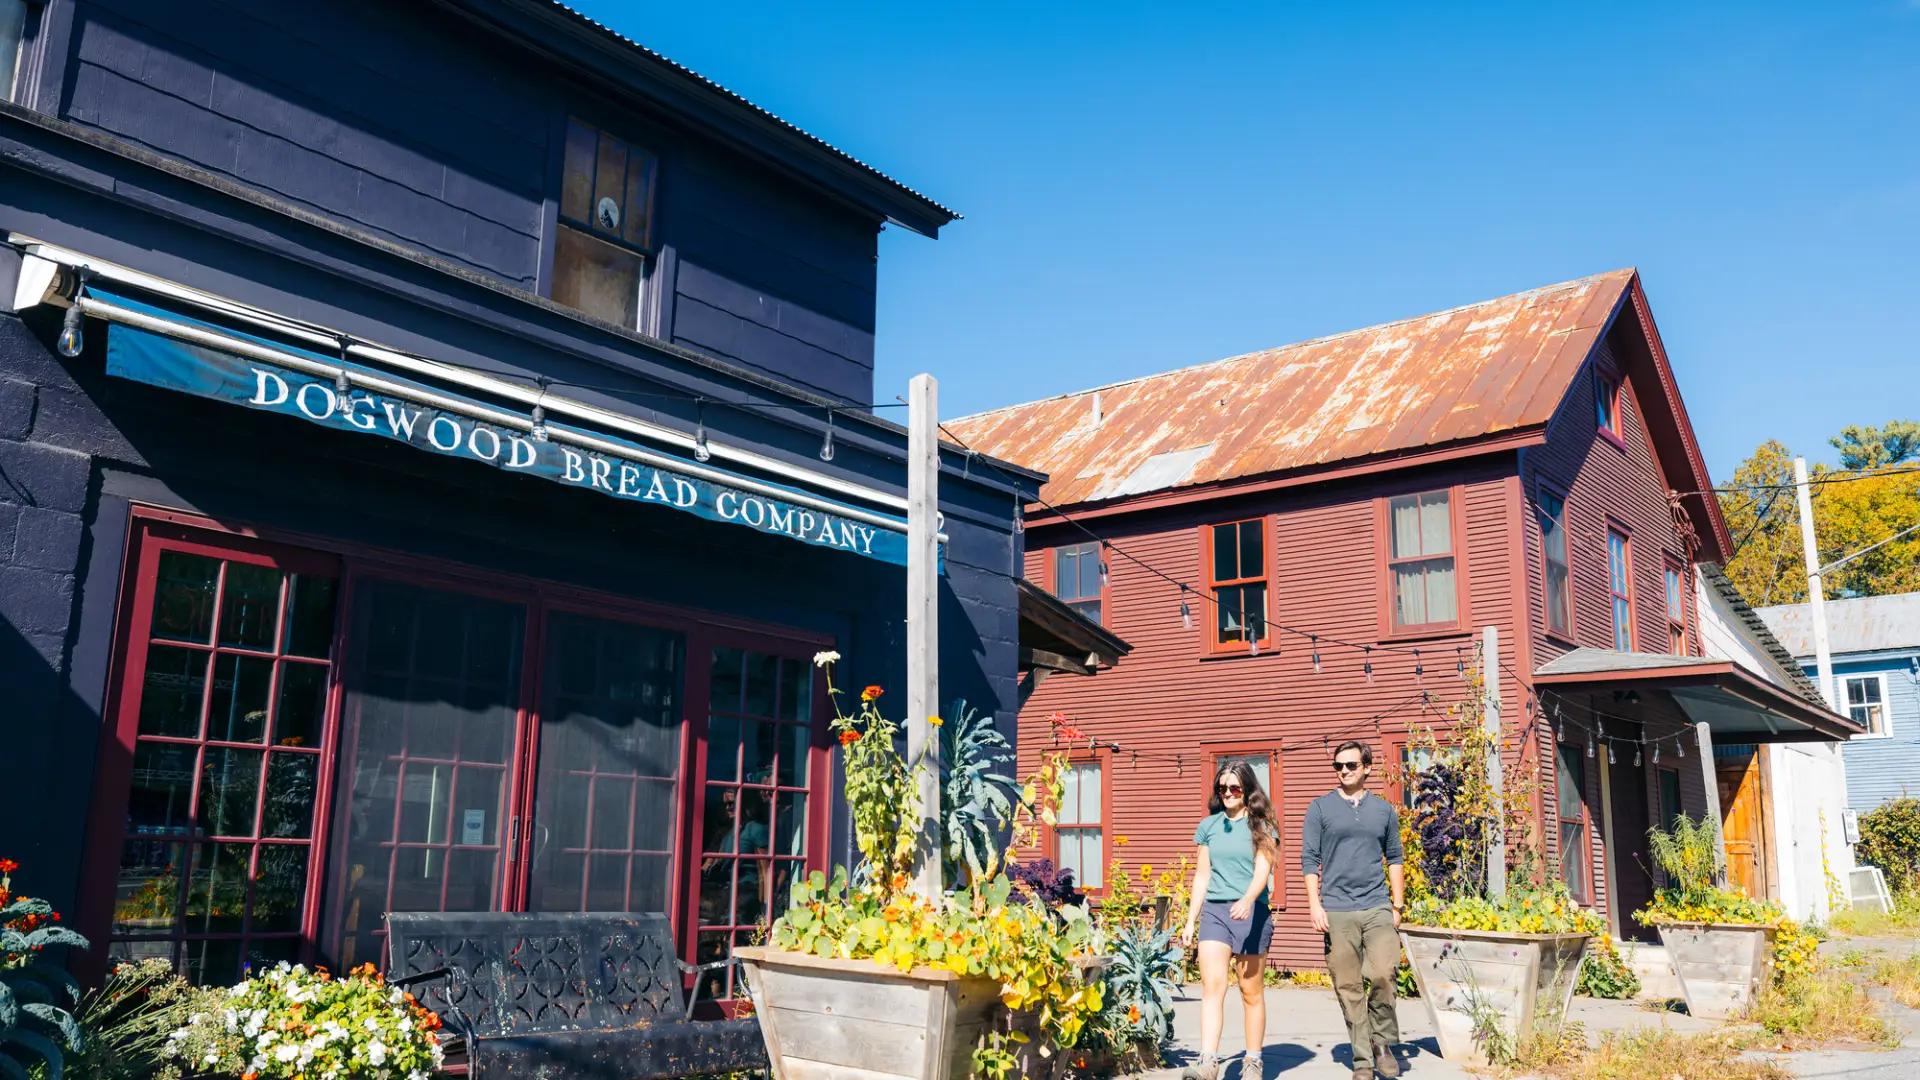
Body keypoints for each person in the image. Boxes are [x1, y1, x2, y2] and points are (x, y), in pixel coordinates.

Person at [1302, 740, 1406, 1080]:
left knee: (1382, 973)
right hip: (1337, 909)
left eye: (1350, 765)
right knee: (1348, 985)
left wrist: (1398, 904)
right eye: (1338, 766)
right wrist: (1315, 904)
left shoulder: (1383, 810)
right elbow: (1309, 859)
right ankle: (1363, 1059)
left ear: (1366, 768)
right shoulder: (1320, 808)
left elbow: (1394, 857)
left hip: (1377, 904)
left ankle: (1383, 1043)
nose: (1343, 771)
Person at [1177, 761, 1280, 1080]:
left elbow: (1263, 871)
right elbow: (1202, 876)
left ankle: (1252, 1060)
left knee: (1251, 991)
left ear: (1248, 790)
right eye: (1222, 788)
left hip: (1252, 913)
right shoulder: (1209, 826)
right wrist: (1190, 920)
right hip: (1216, 912)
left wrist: (1248, 899)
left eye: (1234, 788)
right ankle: (1208, 1061)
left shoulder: (1262, 826)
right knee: (1213, 986)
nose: (1228, 794)